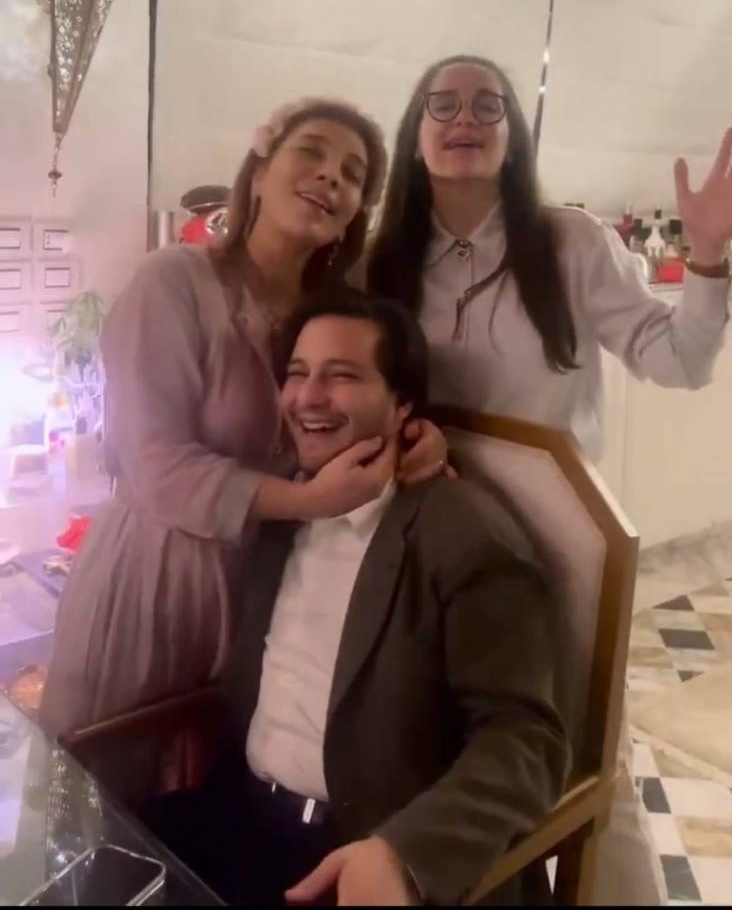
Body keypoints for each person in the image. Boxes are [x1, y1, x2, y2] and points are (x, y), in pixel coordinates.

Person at [367, 55, 732, 904]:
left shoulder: (569, 242)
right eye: (442, 104)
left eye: (487, 105)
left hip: (551, 554)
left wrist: (708, 258)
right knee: (449, 759)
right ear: (415, 136)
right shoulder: (382, 261)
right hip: (422, 544)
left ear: (515, 135)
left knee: (584, 756)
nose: (464, 118)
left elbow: (678, 361)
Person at [39, 98, 446, 742]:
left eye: (353, 174)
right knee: (110, 775)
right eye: (310, 151)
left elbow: (362, 409)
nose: (331, 176)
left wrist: (414, 434)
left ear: (354, 213)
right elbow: (153, 464)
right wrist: (308, 501)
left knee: (220, 779)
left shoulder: (331, 317)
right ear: (258, 173)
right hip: (153, 580)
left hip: (269, 593)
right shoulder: (174, 282)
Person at [146, 290, 570, 906]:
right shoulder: (285, 508)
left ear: (402, 406)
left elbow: (527, 740)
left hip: (353, 851)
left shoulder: (464, 537)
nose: (308, 397)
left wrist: (405, 854)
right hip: (240, 817)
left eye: (341, 376)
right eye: (297, 374)